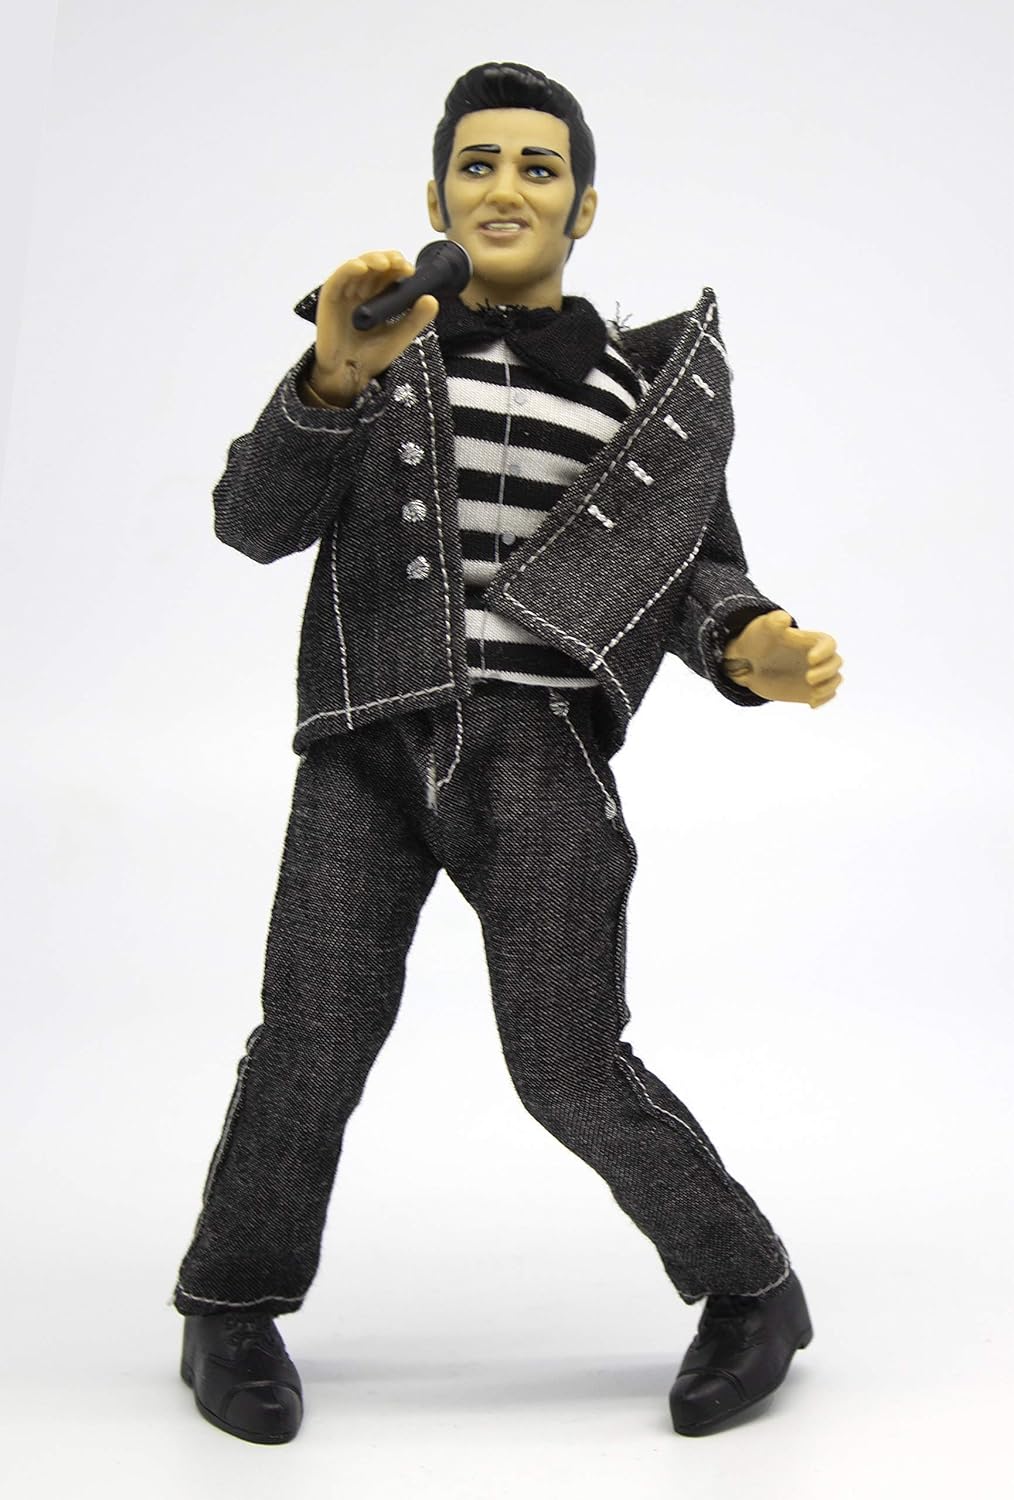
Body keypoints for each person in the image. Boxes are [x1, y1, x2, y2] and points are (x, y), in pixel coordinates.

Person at [173, 60, 842, 1445]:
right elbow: (251, 520)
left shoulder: (639, 393)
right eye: (477, 164)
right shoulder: (376, 347)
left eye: (538, 168)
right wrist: (327, 383)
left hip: (538, 752)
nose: (505, 189)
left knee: (568, 1058)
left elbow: (694, 568)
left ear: (583, 208)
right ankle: (228, 1304)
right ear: (435, 197)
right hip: (368, 740)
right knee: (308, 1038)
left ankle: (749, 1287)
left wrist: (750, 643)